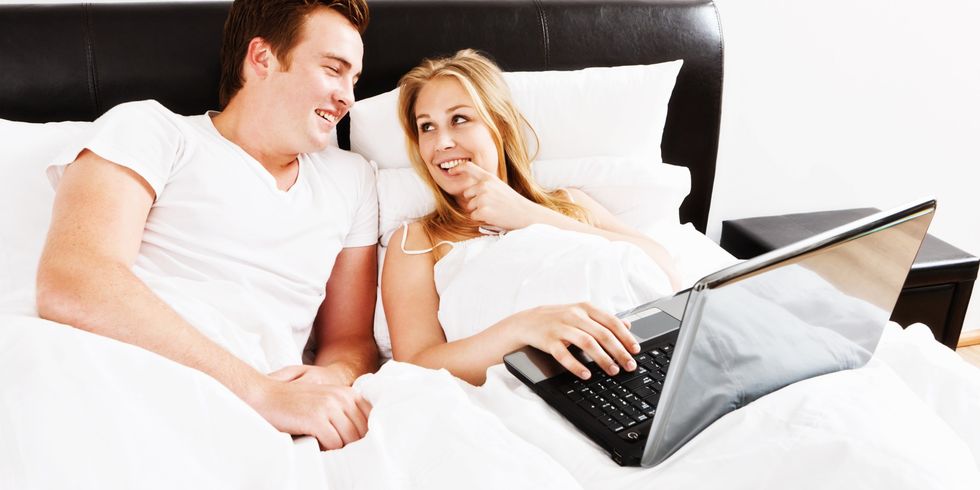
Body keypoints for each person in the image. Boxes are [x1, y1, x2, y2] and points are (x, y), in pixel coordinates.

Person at [35, 0, 377, 450]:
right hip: (127, 371)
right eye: (333, 69)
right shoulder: (154, 130)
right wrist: (259, 392)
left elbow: (351, 339)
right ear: (262, 58)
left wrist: (332, 377)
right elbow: (72, 279)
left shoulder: (351, 179)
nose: (348, 96)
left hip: (264, 416)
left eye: (354, 79)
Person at [382, 49, 683, 385]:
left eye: (459, 119)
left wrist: (529, 216)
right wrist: (523, 329)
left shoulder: (569, 203)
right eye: (427, 127)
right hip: (508, 394)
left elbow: (663, 272)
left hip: (629, 376)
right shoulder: (417, 241)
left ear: (498, 123)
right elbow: (417, 362)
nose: (442, 143)